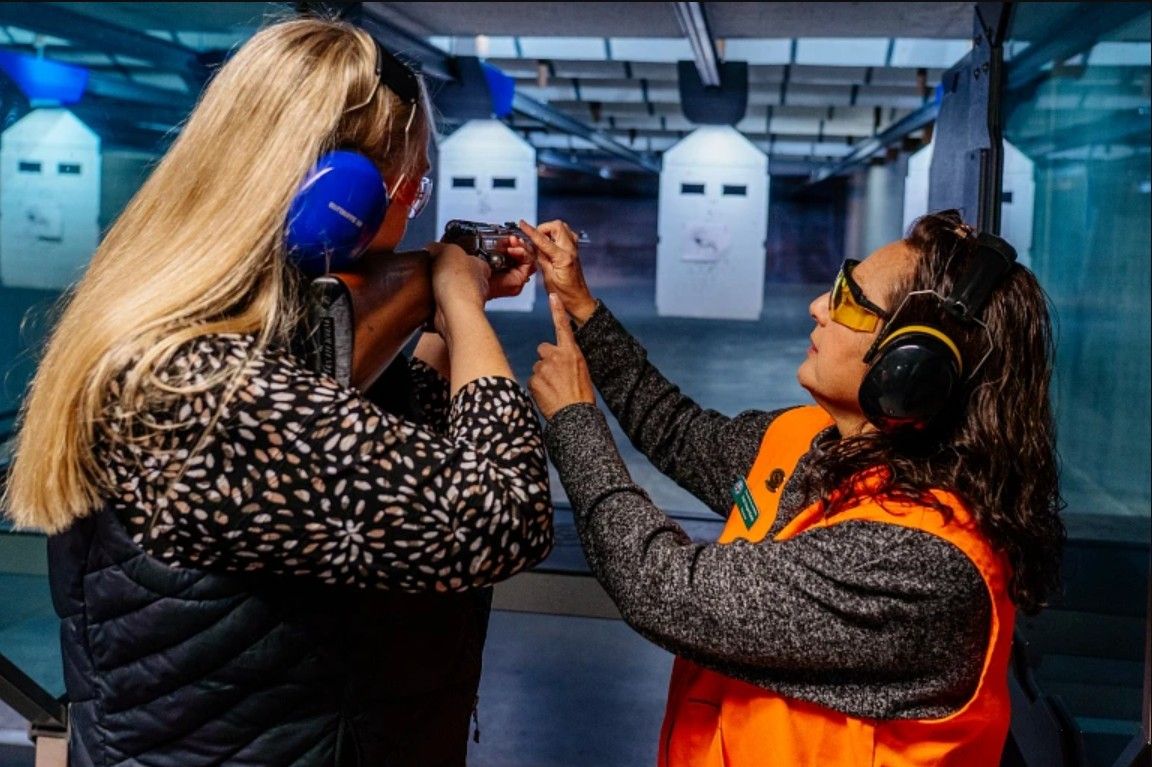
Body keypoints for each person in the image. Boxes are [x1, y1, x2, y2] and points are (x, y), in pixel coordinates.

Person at [2, 16, 552, 767]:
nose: (414, 209)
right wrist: (457, 296)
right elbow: (503, 512)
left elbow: (357, 431)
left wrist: (436, 302)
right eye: (410, 185)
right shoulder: (204, 392)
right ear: (341, 198)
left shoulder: (187, 341)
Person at [517, 210, 1065, 766]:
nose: (818, 307)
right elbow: (678, 431)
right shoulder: (811, 443)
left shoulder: (919, 560)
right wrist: (583, 305)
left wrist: (574, 419)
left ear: (912, 367)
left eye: (850, 301)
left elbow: (658, 585)